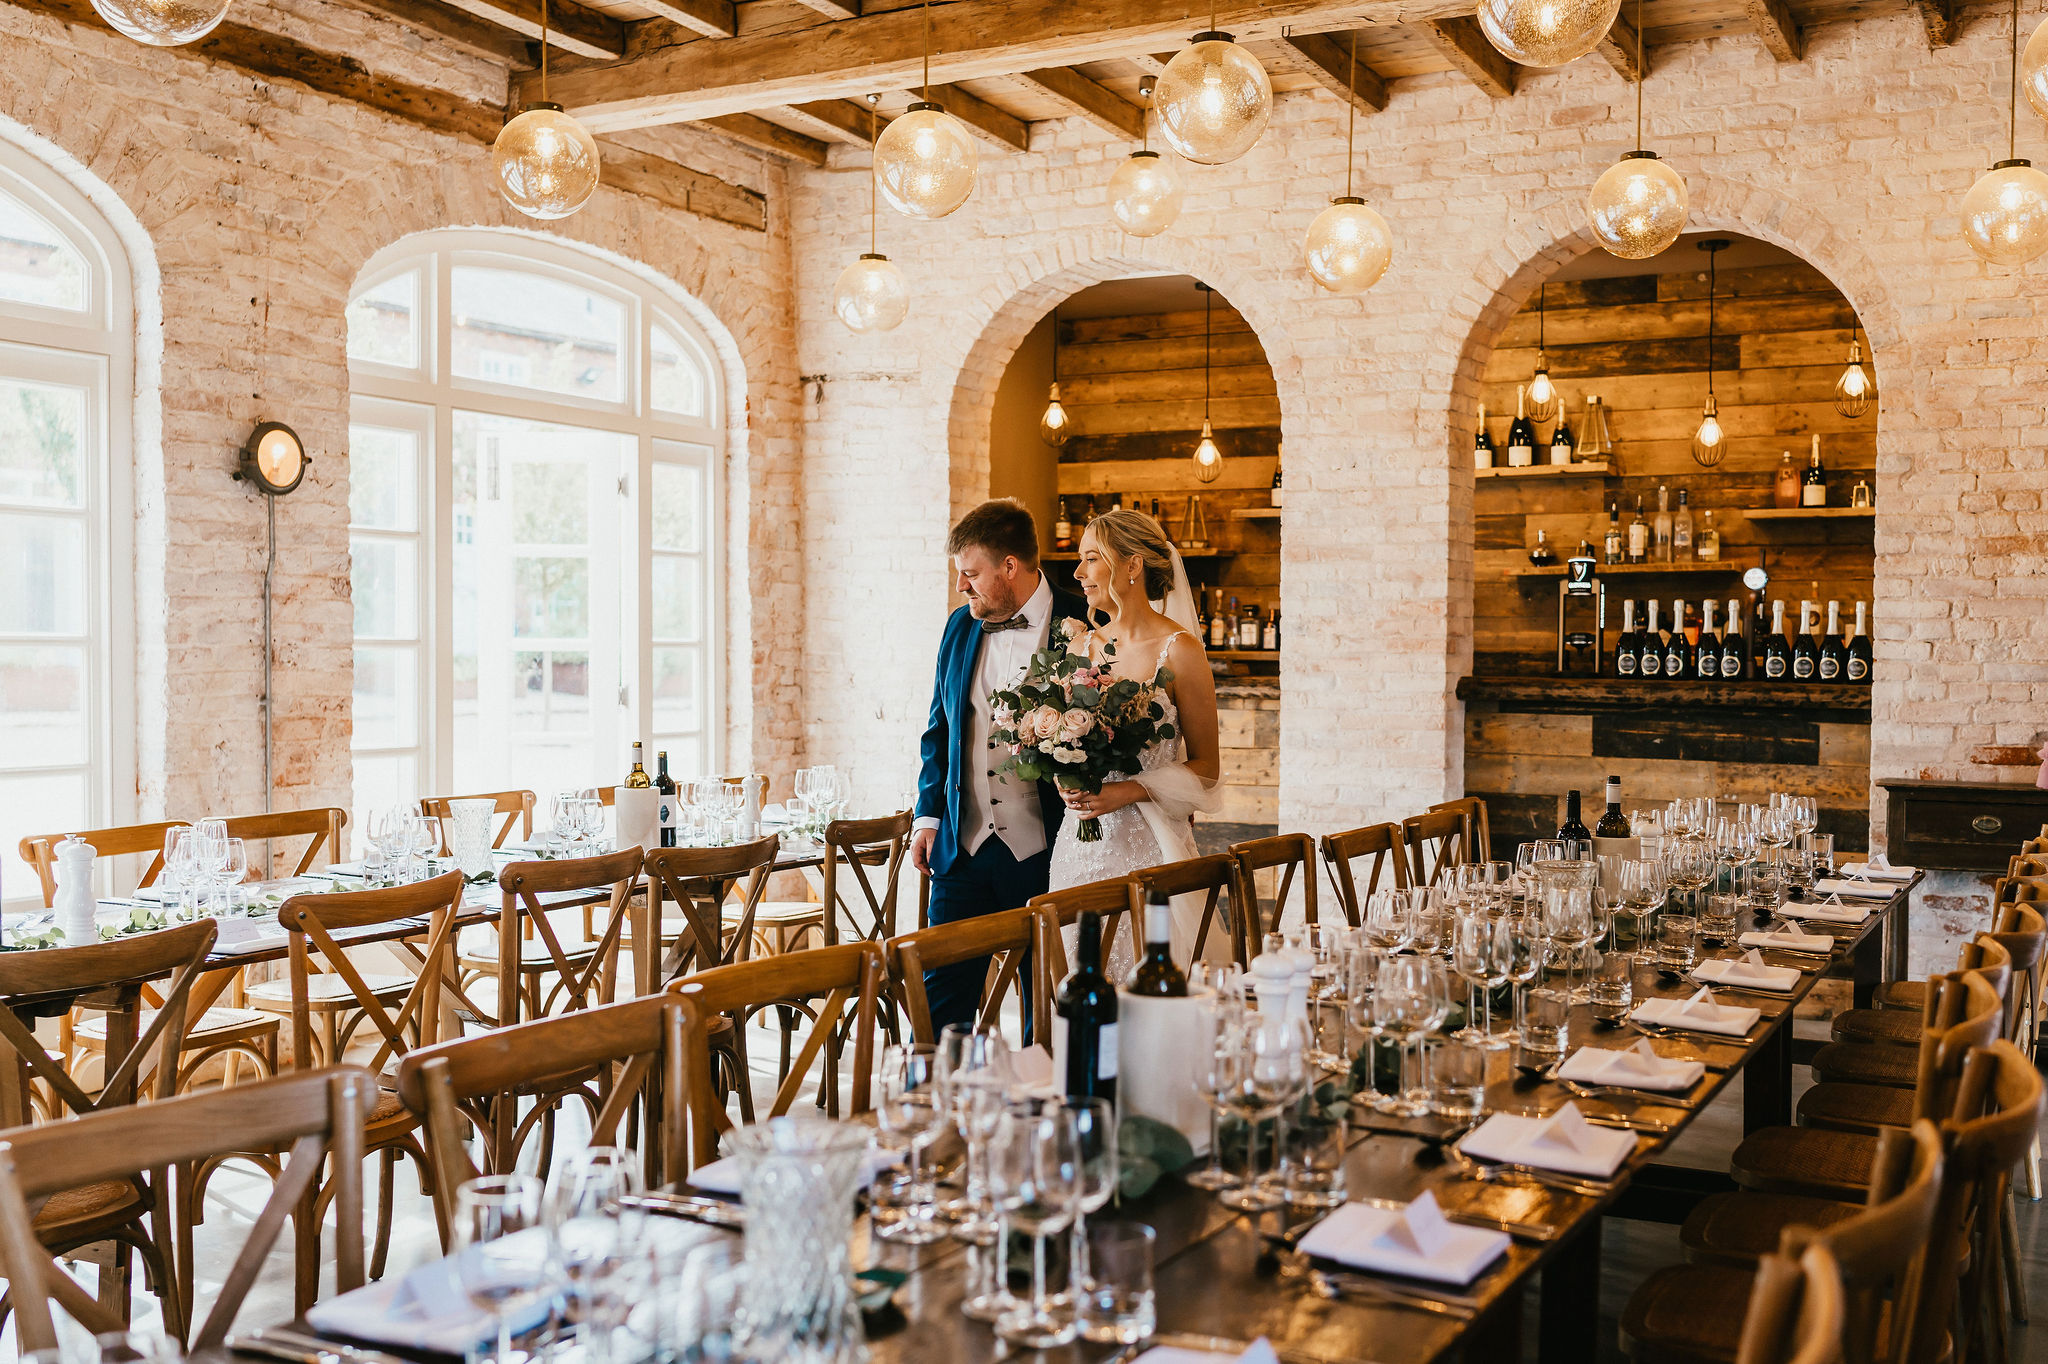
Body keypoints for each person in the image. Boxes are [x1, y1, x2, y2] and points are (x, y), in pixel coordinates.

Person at [913, 499, 1089, 1037]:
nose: (963, 589)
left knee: (1049, 1003)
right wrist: (927, 818)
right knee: (940, 1005)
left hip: (1048, 850)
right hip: (961, 851)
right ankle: (936, 1114)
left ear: (1009, 567)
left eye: (971, 575)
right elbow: (939, 729)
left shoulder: (1086, 622)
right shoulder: (959, 629)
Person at [1048, 508, 1223, 980]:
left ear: (1132, 565)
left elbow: (1207, 769)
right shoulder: (1082, 648)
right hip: (1078, 851)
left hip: (1151, 851)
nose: (1079, 573)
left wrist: (1126, 791)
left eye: (1091, 558)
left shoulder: (1180, 651)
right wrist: (1063, 769)